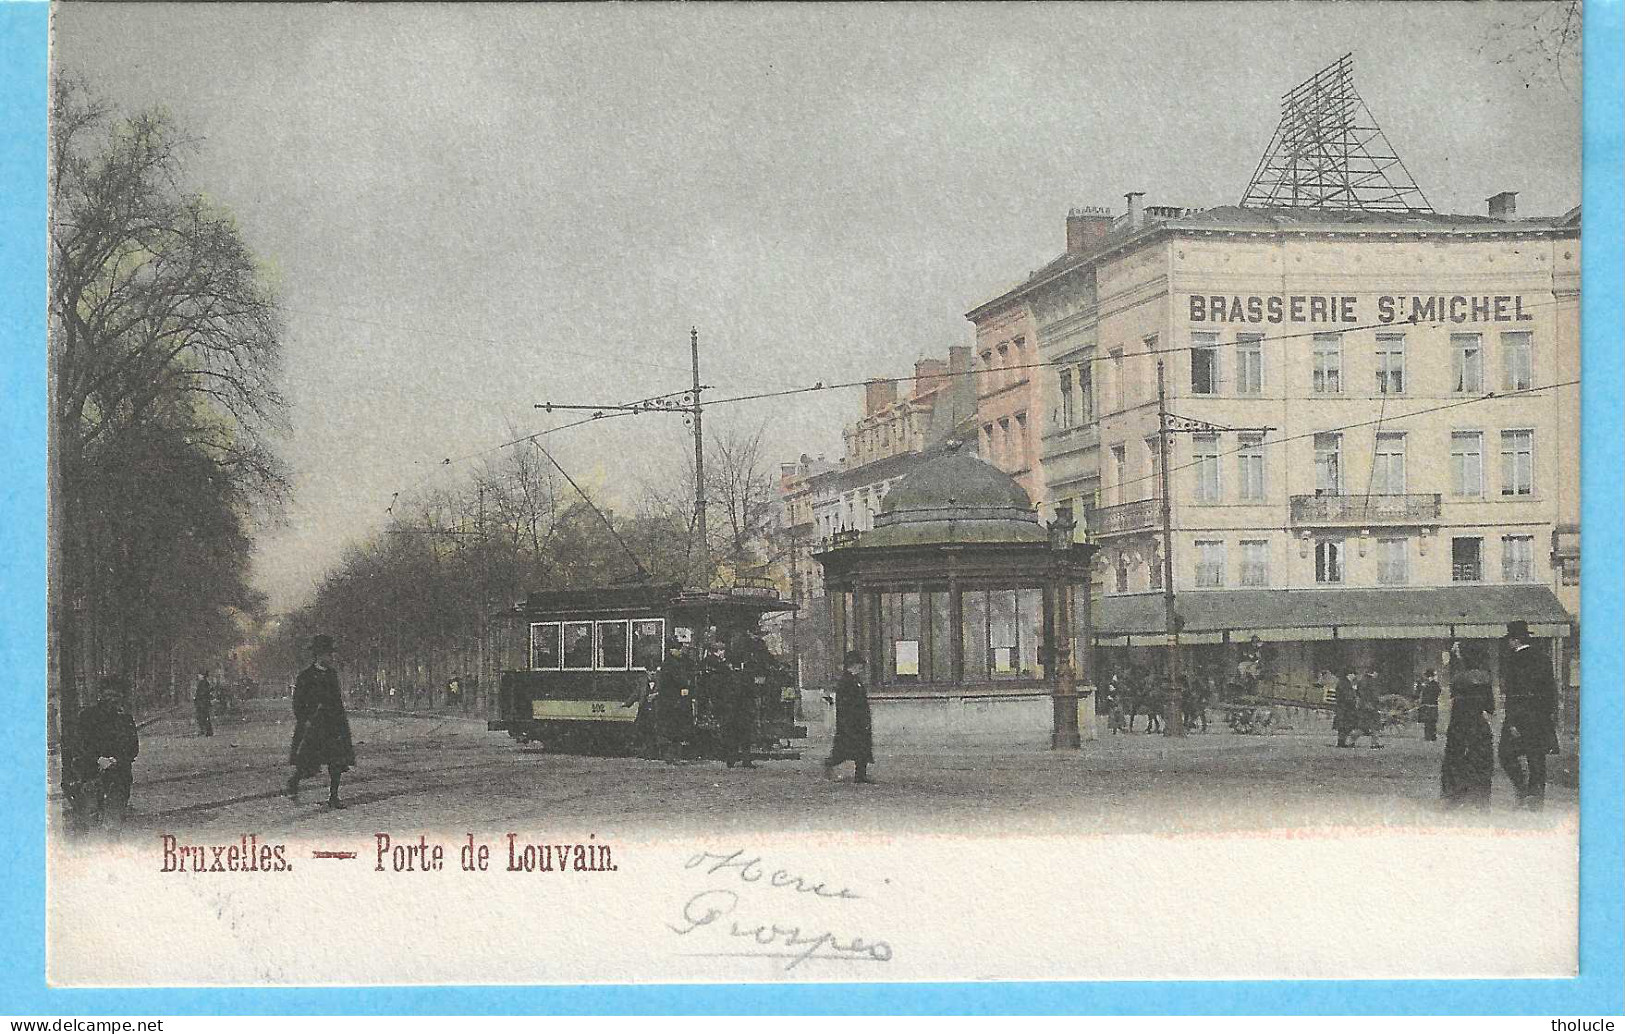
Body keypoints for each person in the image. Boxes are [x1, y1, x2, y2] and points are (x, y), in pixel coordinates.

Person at [286, 635, 356, 808]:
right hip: (314, 726)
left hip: (332, 724)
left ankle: (334, 797)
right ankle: (293, 783)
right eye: (328, 654)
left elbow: (337, 700)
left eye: (331, 654)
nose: (331, 657)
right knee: (309, 763)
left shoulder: (332, 674)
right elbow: (297, 703)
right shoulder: (305, 676)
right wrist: (305, 720)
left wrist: (342, 724)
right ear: (318, 655)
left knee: (336, 762)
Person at [1498, 620, 1559, 810]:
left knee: (1505, 754)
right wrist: (1550, 715)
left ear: (1515, 641)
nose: (1508, 643)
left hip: (1520, 716)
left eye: (1509, 640)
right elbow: (1551, 690)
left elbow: (1513, 693)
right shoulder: (1543, 658)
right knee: (1537, 758)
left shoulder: (1513, 660)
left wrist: (1512, 721)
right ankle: (1536, 801)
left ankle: (1522, 789)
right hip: (1540, 716)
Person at [69, 675, 140, 830]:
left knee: (114, 824)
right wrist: (98, 759)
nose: (112, 700)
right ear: (100, 696)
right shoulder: (87, 717)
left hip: (119, 776)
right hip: (91, 775)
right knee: (89, 820)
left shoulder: (126, 719)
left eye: (116, 696)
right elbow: (80, 745)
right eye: (108, 695)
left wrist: (117, 760)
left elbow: (133, 747)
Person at [1442, 642, 1495, 809]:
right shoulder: (1486, 678)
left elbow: (1453, 703)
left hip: (1459, 724)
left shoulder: (1458, 679)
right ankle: (1481, 800)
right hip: (1478, 725)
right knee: (1481, 761)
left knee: (1455, 760)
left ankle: (1456, 797)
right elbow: (1490, 707)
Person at [822, 650, 874, 783]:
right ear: (853, 665)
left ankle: (860, 775)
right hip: (851, 721)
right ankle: (830, 766)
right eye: (859, 665)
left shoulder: (854, 680)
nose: (861, 668)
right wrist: (851, 720)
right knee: (845, 749)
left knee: (860, 749)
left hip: (858, 721)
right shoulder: (847, 681)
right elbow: (846, 703)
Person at [655, 637, 696, 764]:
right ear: (672, 650)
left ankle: (671, 757)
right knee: (674, 729)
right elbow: (682, 680)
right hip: (673, 701)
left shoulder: (668, 663)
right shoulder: (673, 664)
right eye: (678, 649)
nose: (680, 651)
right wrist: (688, 683)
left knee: (671, 729)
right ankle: (673, 757)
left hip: (669, 700)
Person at [1352, 666, 1384, 748]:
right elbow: (1374, 695)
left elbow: (1359, 693)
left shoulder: (1362, 681)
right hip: (1371, 706)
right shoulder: (1371, 682)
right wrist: (1377, 701)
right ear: (1374, 673)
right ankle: (1374, 743)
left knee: (1364, 725)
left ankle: (1351, 741)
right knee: (1373, 725)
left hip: (1364, 706)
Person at [1333, 666, 1359, 748]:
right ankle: (1343, 742)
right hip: (1345, 708)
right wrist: (1354, 701)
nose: (1354, 677)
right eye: (1354, 674)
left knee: (1343, 726)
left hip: (1343, 707)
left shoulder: (1344, 683)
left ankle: (1342, 742)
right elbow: (1347, 696)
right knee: (1345, 726)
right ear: (1350, 674)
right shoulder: (1345, 684)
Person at [1415, 668, 1442, 742]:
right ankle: (1431, 736)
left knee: (1429, 722)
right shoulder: (1433, 684)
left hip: (1429, 704)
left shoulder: (1431, 685)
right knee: (1430, 722)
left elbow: (1433, 693)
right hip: (1431, 704)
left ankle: (1429, 737)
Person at [193, 670, 213, 737]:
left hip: (203, 703)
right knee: (203, 717)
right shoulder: (203, 683)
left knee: (203, 717)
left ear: (202, 675)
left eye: (199, 675)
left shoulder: (204, 683)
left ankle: (206, 731)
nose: (198, 676)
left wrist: (197, 697)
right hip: (202, 702)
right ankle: (206, 731)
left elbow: (203, 693)